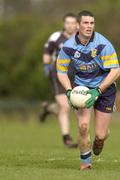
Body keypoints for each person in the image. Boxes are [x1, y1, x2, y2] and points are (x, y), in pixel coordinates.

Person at [56, 10, 120, 169]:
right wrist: (69, 91)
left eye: (92, 23)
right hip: (81, 86)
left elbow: (116, 71)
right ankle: (86, 162)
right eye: (86, 23)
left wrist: (98, 90)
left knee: (100, 135)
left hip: (105, 88)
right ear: (78, 25)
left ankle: (102, 138)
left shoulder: (103, 44)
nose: (89, 26)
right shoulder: (69, 46)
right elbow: (61, 71)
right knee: (83, 126)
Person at [41, 13, 78, 148]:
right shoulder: (56, 37)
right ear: (64, 24)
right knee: (66, 106)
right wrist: (46, 66)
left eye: (73, 23)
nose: (70, 25)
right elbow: (47, 53)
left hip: (76, 75)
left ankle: (49, 108)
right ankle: (66, 139)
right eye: (68, 22)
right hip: (58, 74)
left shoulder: (82, 37)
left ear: (77, 24)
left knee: (74, 106)